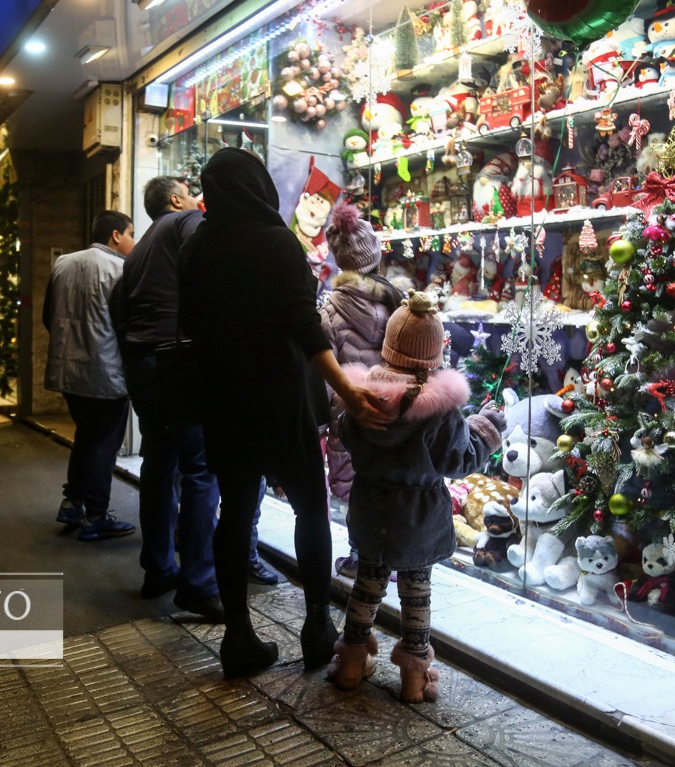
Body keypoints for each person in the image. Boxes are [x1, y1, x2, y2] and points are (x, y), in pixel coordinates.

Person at [178, 148, 390, 679]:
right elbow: (302, 323)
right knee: (309, 509)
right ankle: (318, 625)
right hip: (280, 398)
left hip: (223, 399)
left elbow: (189, 323)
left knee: (235, 508)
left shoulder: (198, 245)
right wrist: (345, 385)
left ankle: (239, 636)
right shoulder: (275, 240)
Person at [327, 291, 504, 703]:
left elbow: (347, 437)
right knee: (416, 592)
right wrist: (485, 429)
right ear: (435, 353)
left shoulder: (362, 397)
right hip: (419, 517)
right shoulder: (440, 410)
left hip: (370, 510)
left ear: (389, 347)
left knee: (366, 586)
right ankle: (414, 679)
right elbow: (458, 462)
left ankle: (351, 664)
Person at [109, 176, 223, 622]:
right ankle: (198, 583)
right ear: (175, 200)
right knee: (200, 471)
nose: (198, 195)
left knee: (159, 466)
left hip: (144, 363)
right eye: (189, 189)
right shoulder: (188, 221)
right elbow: (209, 269)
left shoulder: (138, 254)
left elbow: (118, 307)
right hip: (179, 361)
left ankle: (158, 569)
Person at [318, 202, 404, 579]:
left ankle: (360, 558)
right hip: (395, 410)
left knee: (355, 487)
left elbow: (325, 373)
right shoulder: (397, 302)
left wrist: (326, 419)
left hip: (350, 414)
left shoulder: (329, 311)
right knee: (391, 483)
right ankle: (395, 556)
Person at [43, 210, 137, 542]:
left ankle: (72, 502)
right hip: (105, 372)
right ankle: (96, 516)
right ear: (115, 235)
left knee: (86, 436)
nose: (133, 241)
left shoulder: (63, 263)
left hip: (67, 370)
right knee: (103, 444)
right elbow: (127, 326)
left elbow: (47, 316)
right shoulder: (121, 269)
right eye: (130, 234)